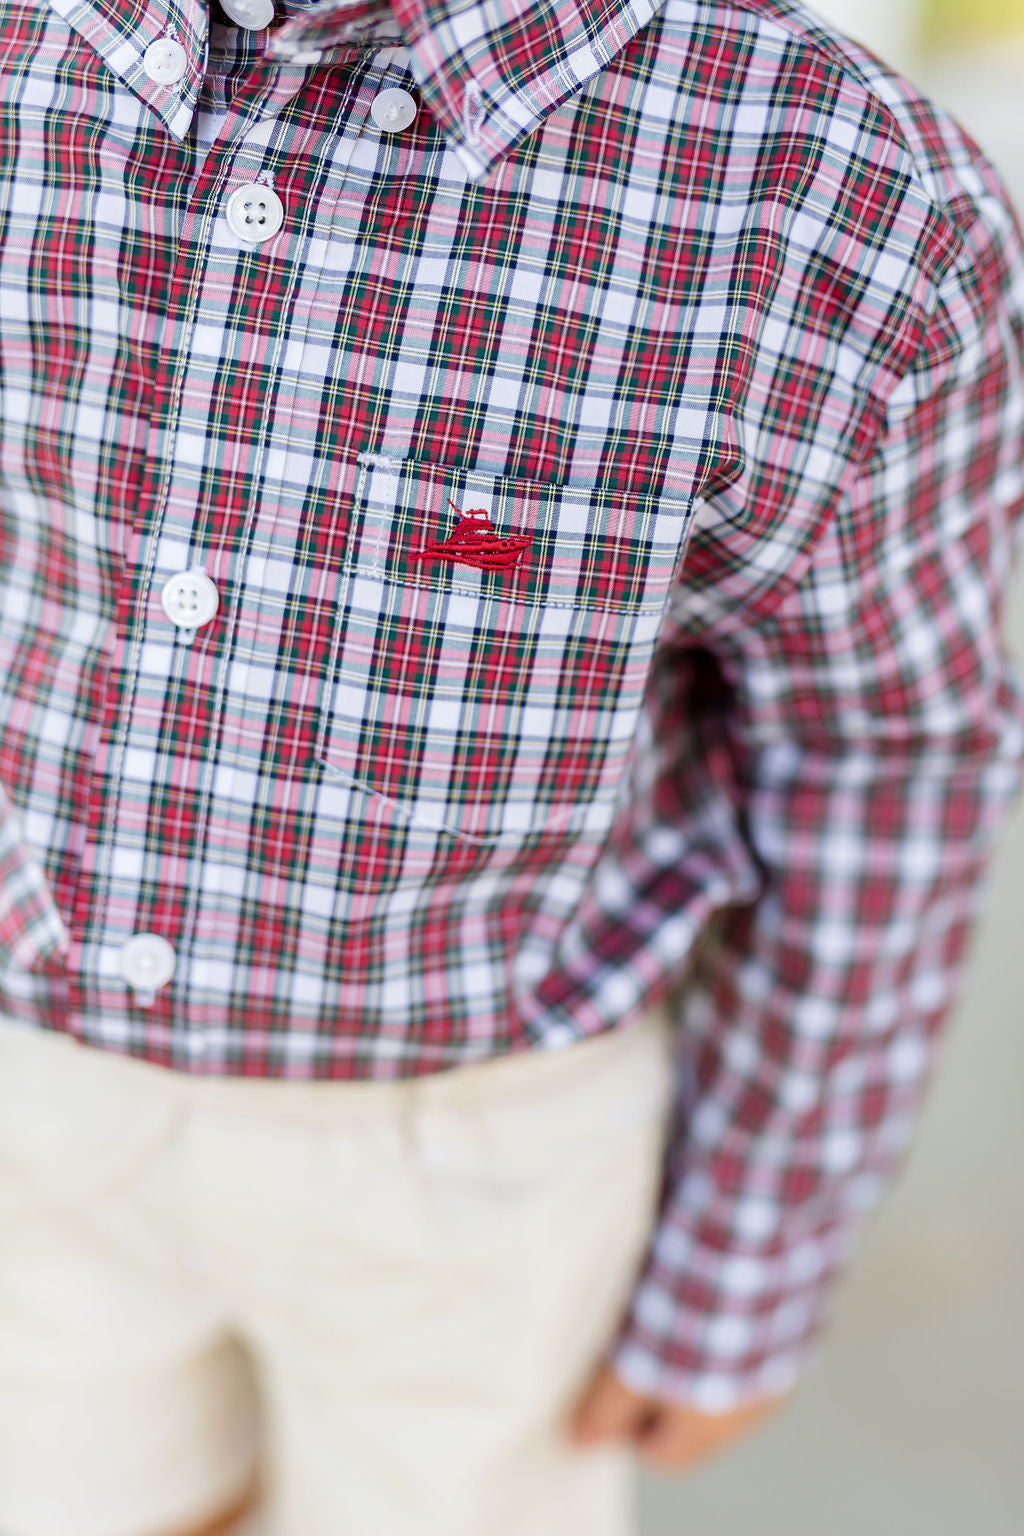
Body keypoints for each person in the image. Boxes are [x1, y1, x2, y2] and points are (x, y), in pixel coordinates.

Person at [0, 0, 1021, 1529]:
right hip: (32, 1098)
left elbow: (878, 754)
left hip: (483, 1162)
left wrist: (748, 1250)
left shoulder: (829, 188)